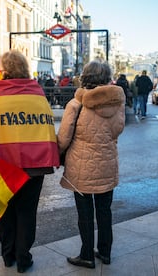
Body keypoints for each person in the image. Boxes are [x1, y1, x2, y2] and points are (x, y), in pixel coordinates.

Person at [0, 50, 59, 273]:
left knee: (5, 210)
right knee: (27, 212)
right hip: (34, 164)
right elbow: (46, 123)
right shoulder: (37, 93)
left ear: (4, 70)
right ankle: (23, 258)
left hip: (3, 165)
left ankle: (7, 255)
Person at [57, 60, 125, 269]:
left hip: (81, 166)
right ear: (106, 78)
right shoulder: (116, 103)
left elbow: (64, 138)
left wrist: (58, 153)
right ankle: (105, 252)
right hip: (107, 163)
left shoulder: (76, 104)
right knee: (105, 211)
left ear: (85, 77)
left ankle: (86, 254)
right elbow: (117, 131)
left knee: (85, 213)